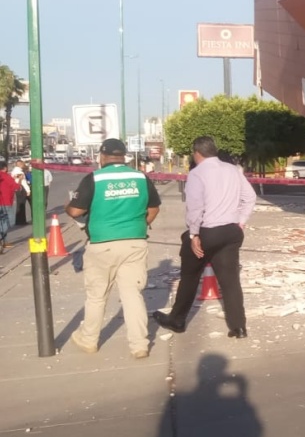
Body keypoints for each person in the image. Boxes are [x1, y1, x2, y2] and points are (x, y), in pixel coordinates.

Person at [65, 138, 161, 358]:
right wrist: (139, 224)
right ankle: (139, 345)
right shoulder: (140, 177)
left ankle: (89, 340)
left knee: (97, 296)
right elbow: (153, 208)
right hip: (134, 242)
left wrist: (67, 206)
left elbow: (75, 212)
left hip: (102, 244)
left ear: (102, 156)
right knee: (132, 295)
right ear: (124, 156)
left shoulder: (95, 178)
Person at [154, 136, 257, 339]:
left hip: (208, 231)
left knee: (190, 275)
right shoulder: (232, 169)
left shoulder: (197, 173)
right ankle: (239, 327)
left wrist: (194, 234)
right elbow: (250, 197)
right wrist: (241, 221)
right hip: (232, 231)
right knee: (230, 281)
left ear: (196, 153)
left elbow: (195, 207)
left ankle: (177, 319)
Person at [0, 160, 17, 253]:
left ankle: (3, 241)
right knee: (10, 221)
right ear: (5, 168)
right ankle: (1, 237)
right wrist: (20, 181)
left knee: (1, 222)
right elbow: (15, 186)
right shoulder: (6, 176)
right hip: (6, 202)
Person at [10, 160, 30, 226]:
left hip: (17, 188)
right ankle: (22, 221)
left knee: (19, 205)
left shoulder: (14, 171)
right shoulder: (19, 171)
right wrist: (28, 190)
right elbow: (23, 182)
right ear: (20, 164)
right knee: (22, 205)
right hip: (21, 188)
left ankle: (18, 221)